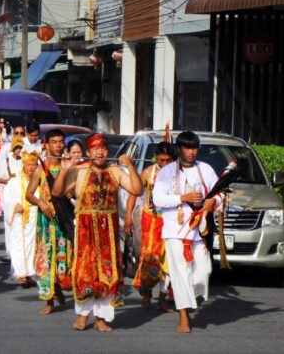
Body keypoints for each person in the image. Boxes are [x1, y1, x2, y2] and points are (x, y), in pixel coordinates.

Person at [52, 133, 143, 332]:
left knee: (108, 272)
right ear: (88, 152)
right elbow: (57, 193)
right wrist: (65, 170)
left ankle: (101, 318)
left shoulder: (116, 171)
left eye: (103, 149)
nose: (100, 153)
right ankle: (82, 316)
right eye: (95, 150)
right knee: (85, 271)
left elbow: (137, 190)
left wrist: (130, 166)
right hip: (85, 228)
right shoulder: (79, 170)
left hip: (108, 231)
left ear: (107, 151)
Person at [152, 131, 221, 333]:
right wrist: (183, 197)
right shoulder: (167, 172)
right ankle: (183, 315)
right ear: (179, 149)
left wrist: (212, 202)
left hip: (198, 230)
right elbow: (158, 200)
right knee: (180, 273)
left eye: (195, 148)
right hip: (175, 230)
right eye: (187, 148)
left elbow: (221, 193)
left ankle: (188, 298)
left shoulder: (206, 169)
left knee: (204, 271)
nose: (191, 152)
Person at [24, 129, 73, 315]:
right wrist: (40, 202)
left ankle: (60, 287)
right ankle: (49, 300)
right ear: (46, 144)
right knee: (45, 258)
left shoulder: (69, 167)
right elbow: (29, 194)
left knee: (64, 257)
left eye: (61, 142)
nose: (58, 145)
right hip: (46, 222)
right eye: (54, 141)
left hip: (64, 221)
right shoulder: (39, 169)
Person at [128, 141, 174, 311]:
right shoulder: (149, 172)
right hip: (151, 220)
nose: (165, 164)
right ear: (156, 158)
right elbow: (134, 191)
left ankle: (162, 297)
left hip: (170, 221)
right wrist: (128, 217)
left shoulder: (179, 174)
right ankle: (147, 291)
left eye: (168, 160)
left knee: (168, 259)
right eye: (161, 160)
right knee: (149, 258)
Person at [2, 150, 39, 287]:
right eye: (28, 164)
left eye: (34, 165)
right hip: (19, 218)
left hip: (35, 219)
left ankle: (31, 273)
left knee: (33, 246)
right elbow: (6, 200)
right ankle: (21, 274)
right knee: (18, 246)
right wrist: (14, 205)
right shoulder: (14, 182)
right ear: (23, 165)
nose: (31, 167)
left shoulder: (40, 182)